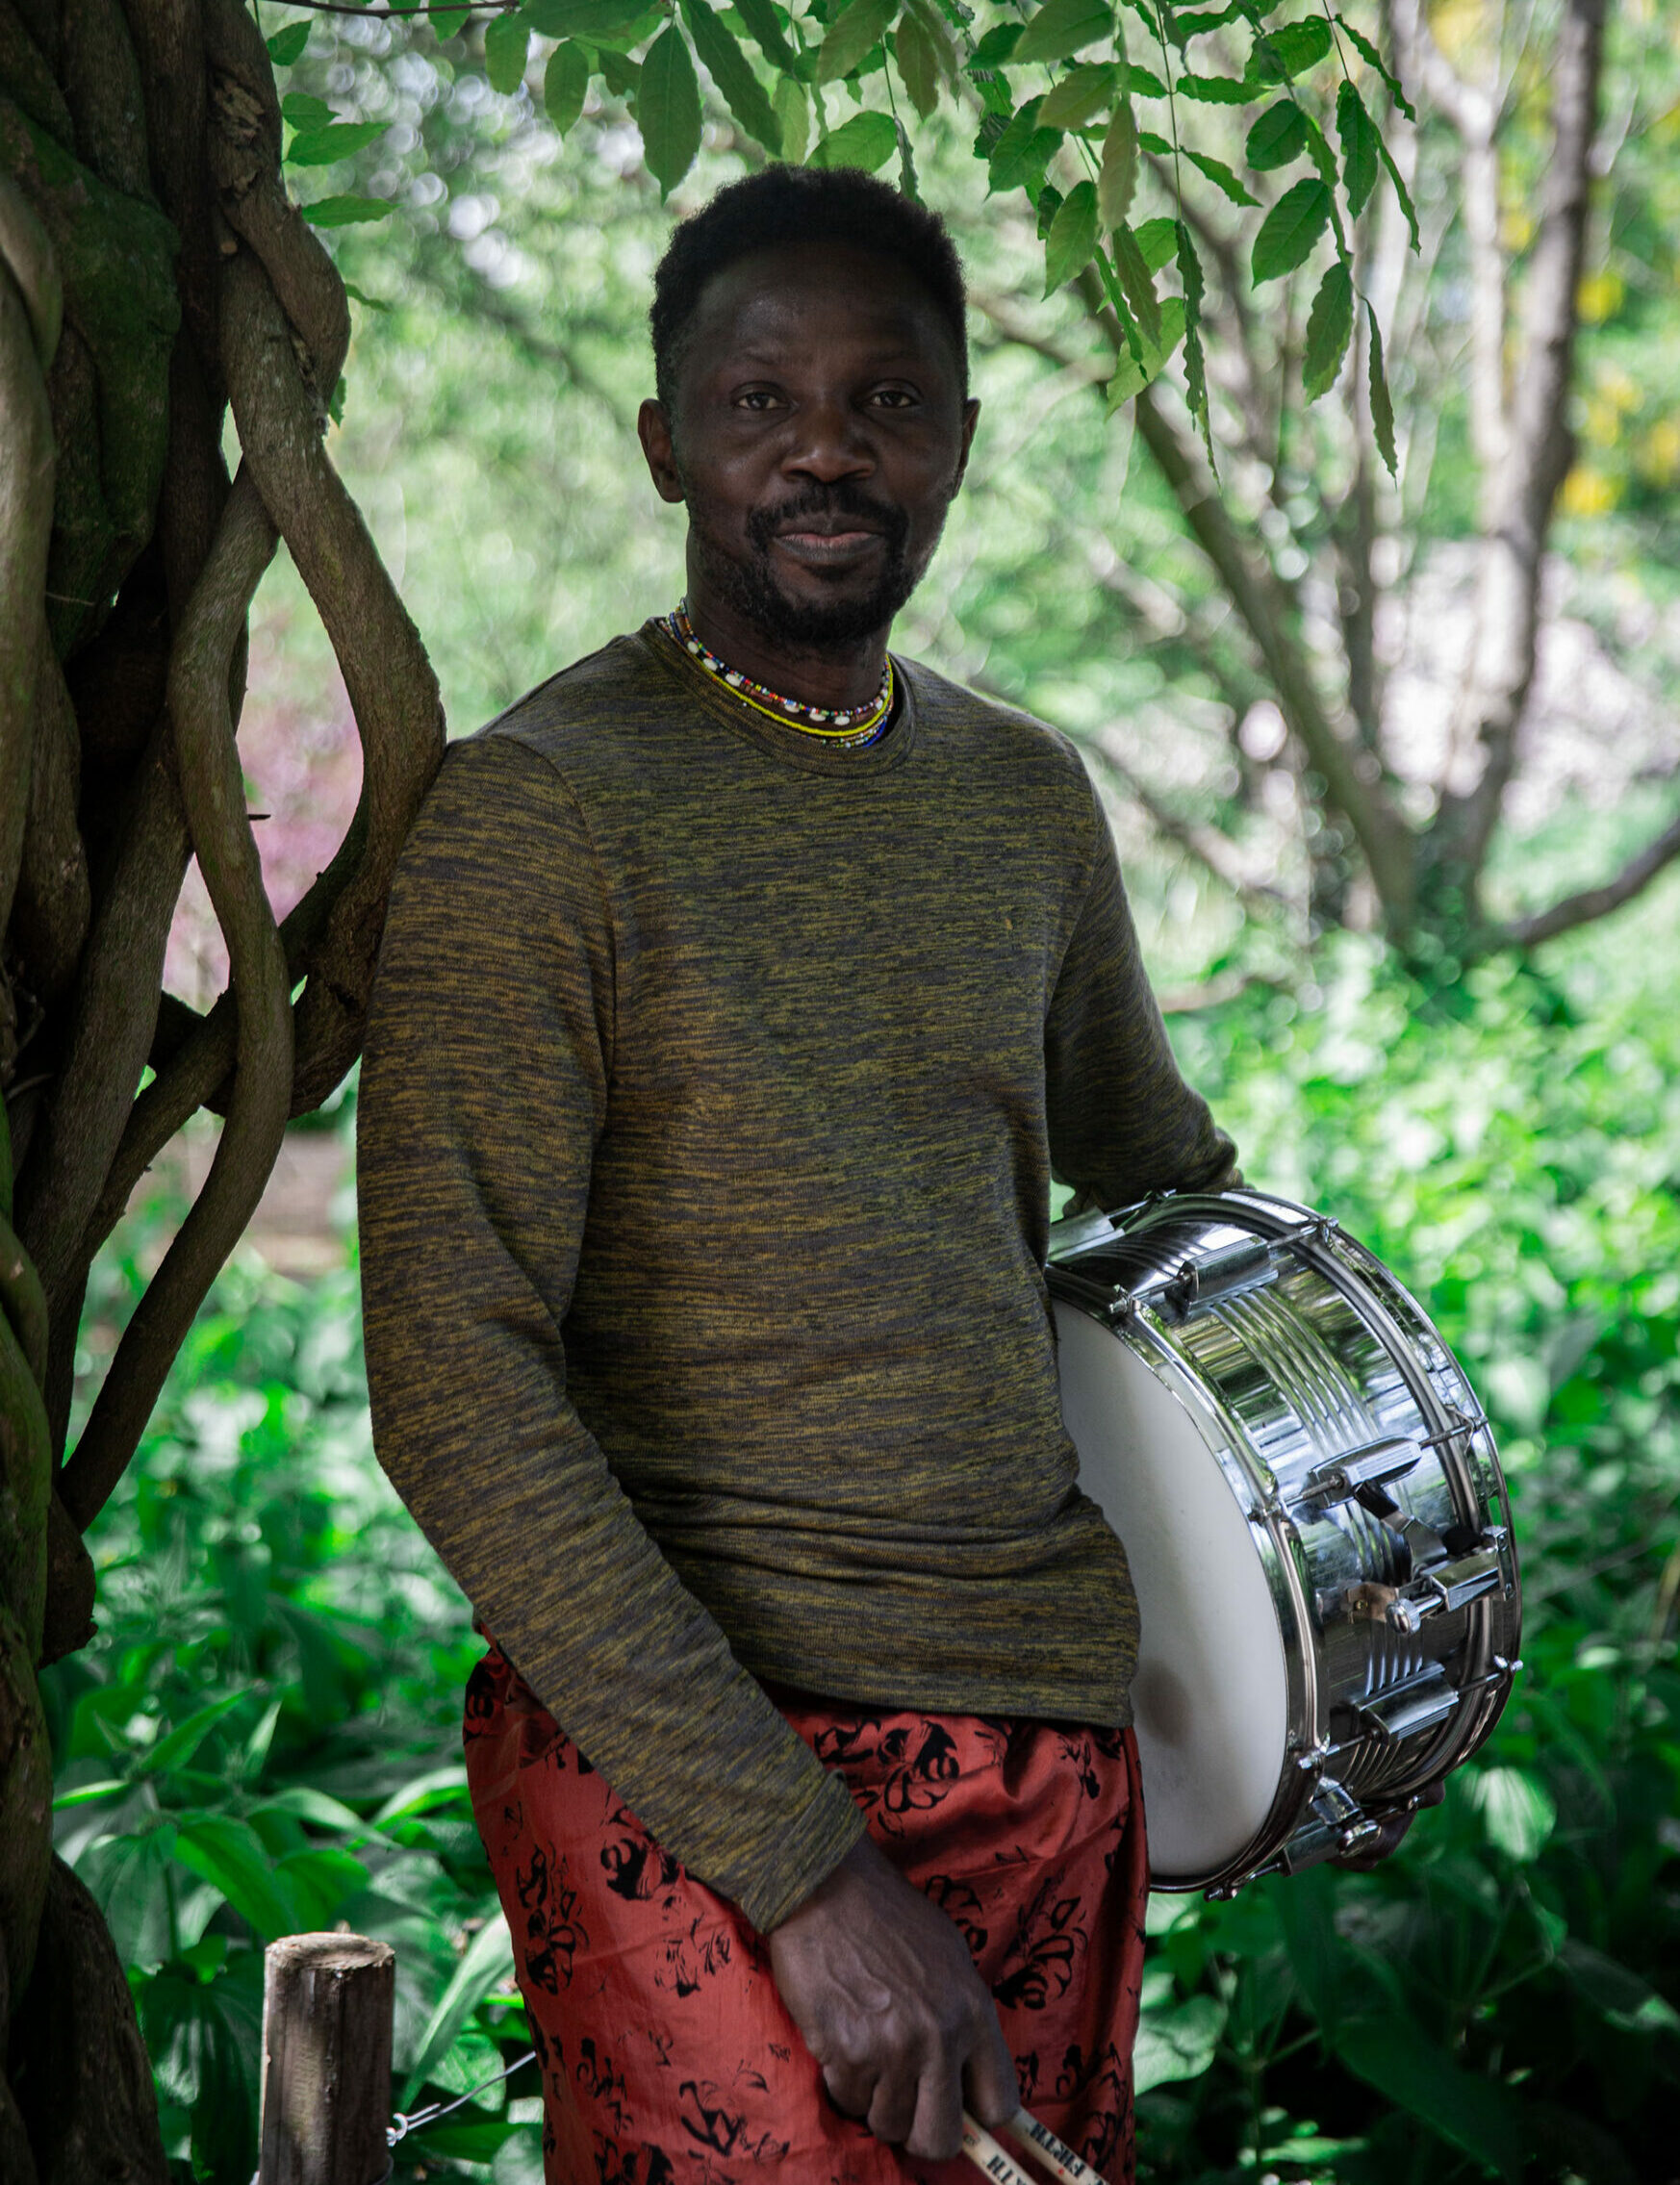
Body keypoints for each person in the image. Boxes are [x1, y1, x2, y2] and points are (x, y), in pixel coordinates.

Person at [359, 165, 1240, 2185]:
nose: (827, 448)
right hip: (695, 1755)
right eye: (761, 400)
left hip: (1043, 1726)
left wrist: (1295, 1578)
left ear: (960, 440)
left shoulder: (1025, 796)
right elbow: (454, 1385)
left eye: (885, 399)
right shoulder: (539, 816)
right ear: (664, 438)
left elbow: (1166, 1197)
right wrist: (806, 1868)